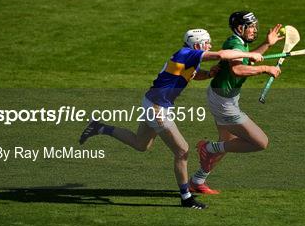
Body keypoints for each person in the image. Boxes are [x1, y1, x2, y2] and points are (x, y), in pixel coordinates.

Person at [78, 29, 264, 209]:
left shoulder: (190, 57)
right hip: (157, 108)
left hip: (152, 102)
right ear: (197, 44)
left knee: (140, 144)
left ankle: (99, 127)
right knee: (182, 151)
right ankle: (186, 198)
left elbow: (192, 74)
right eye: (207, 42)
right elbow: (221, 55)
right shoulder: (187, 53)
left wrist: (207, 74)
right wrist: (250, 56)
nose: (210, 44)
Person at [189, 11, 283, 194]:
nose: (255, 29)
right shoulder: (234, 43)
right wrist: (265, 68)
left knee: (226, 142)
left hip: (223, 96)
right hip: (223, 102)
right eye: (252, 26)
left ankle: (197, 181)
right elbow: (238, 70)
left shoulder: (240, 44)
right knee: (260, 142)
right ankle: (207, 148)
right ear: (240, 28)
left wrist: (266, 44)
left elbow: (248, 58)